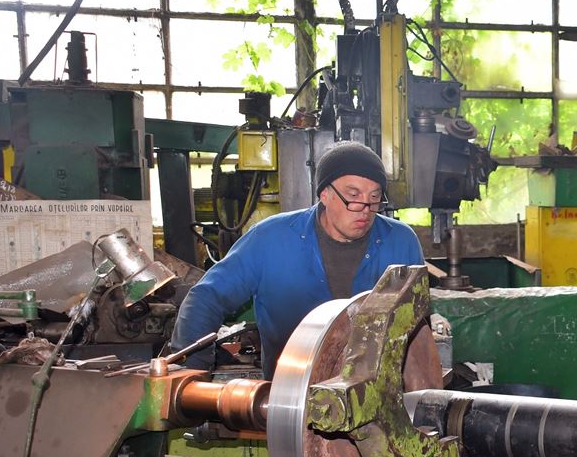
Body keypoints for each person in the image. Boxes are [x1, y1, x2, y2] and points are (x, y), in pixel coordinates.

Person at [171, 141, 424, 377]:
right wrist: (194, 375)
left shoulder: (400, 241)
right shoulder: (270, 239)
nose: (365, 210)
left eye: (374, 197)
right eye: (354, 196)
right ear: (325, 194)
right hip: (288, 399)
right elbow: (207, 297)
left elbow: (416, 326)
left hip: (374, 398)